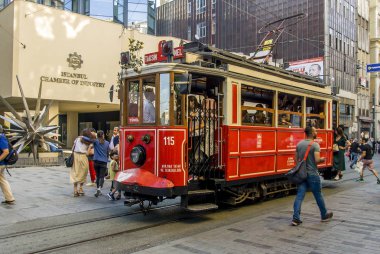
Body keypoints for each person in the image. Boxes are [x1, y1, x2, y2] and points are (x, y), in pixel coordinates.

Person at [292, 126, 333, 226]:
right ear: (311, 133)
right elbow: (317, 160)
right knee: (318, 195)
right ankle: (324, 215)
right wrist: (323, 159)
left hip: (302, 174)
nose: (317, 132)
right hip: (312, 174)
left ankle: (296, 218)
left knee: (299, 196)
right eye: (315, 131)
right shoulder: (315, 145)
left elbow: (296, 159)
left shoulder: (299, 144)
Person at [70, 129, 93, 197]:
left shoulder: (77, 139)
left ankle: (75, 190)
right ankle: (80, 188)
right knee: (84, 172)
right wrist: (90, 147)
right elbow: (88, 153)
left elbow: (72, 148)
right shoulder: (89, 142)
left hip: (76, 156)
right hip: (83, 157)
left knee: (75, 172)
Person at [0, 124, 15, 205]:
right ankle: (10, 198)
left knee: (2, 180)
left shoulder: (1, 137)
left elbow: (6, 151)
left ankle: (10, 198)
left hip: (0, 163)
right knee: (2, 180)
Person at [93, 130, 110, 197]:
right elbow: (108, 152)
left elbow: (88, 139)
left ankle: (98, 189)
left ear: (97, 135)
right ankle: (99, 188)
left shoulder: (95, 142)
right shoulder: (107, 143)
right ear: (103, 135)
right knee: (102, 176)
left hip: (96, 161)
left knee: (97, 175)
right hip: (103, 161)